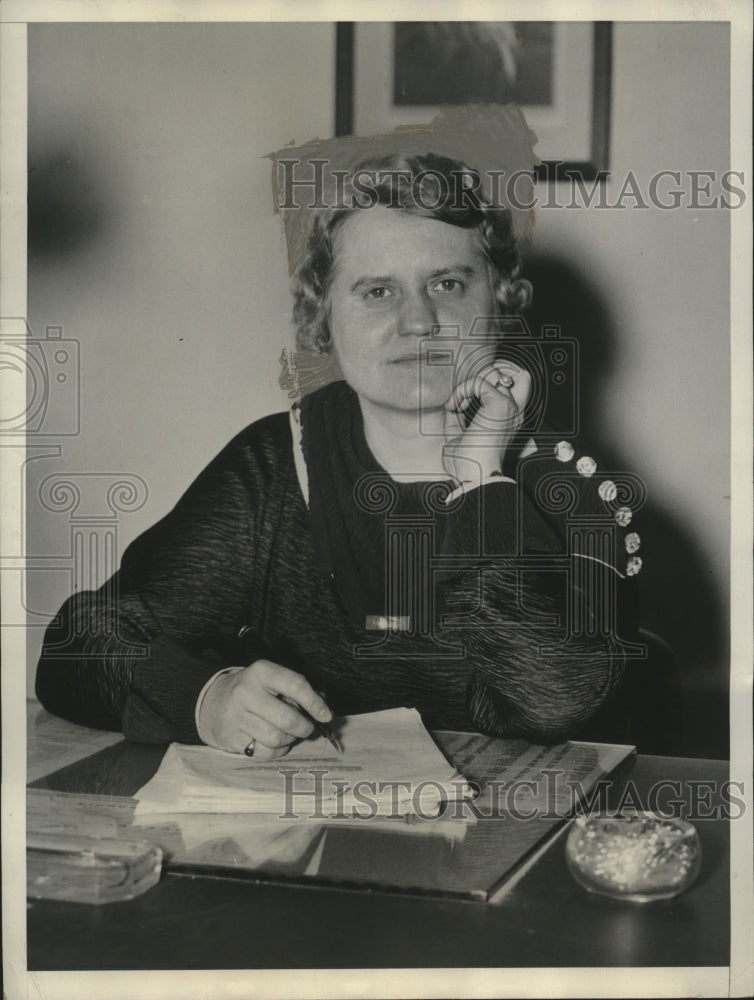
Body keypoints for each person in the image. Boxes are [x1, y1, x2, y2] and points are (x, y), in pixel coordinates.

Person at [36, 142, 641, 760]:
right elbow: (78, 645)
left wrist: (481, 475)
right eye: (377, 292)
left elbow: (549, 701)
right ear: (323, 318)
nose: (419, 322)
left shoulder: (567, 489)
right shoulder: (277, 466)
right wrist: (206, 699)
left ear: (500, 304)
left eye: (449, 283)